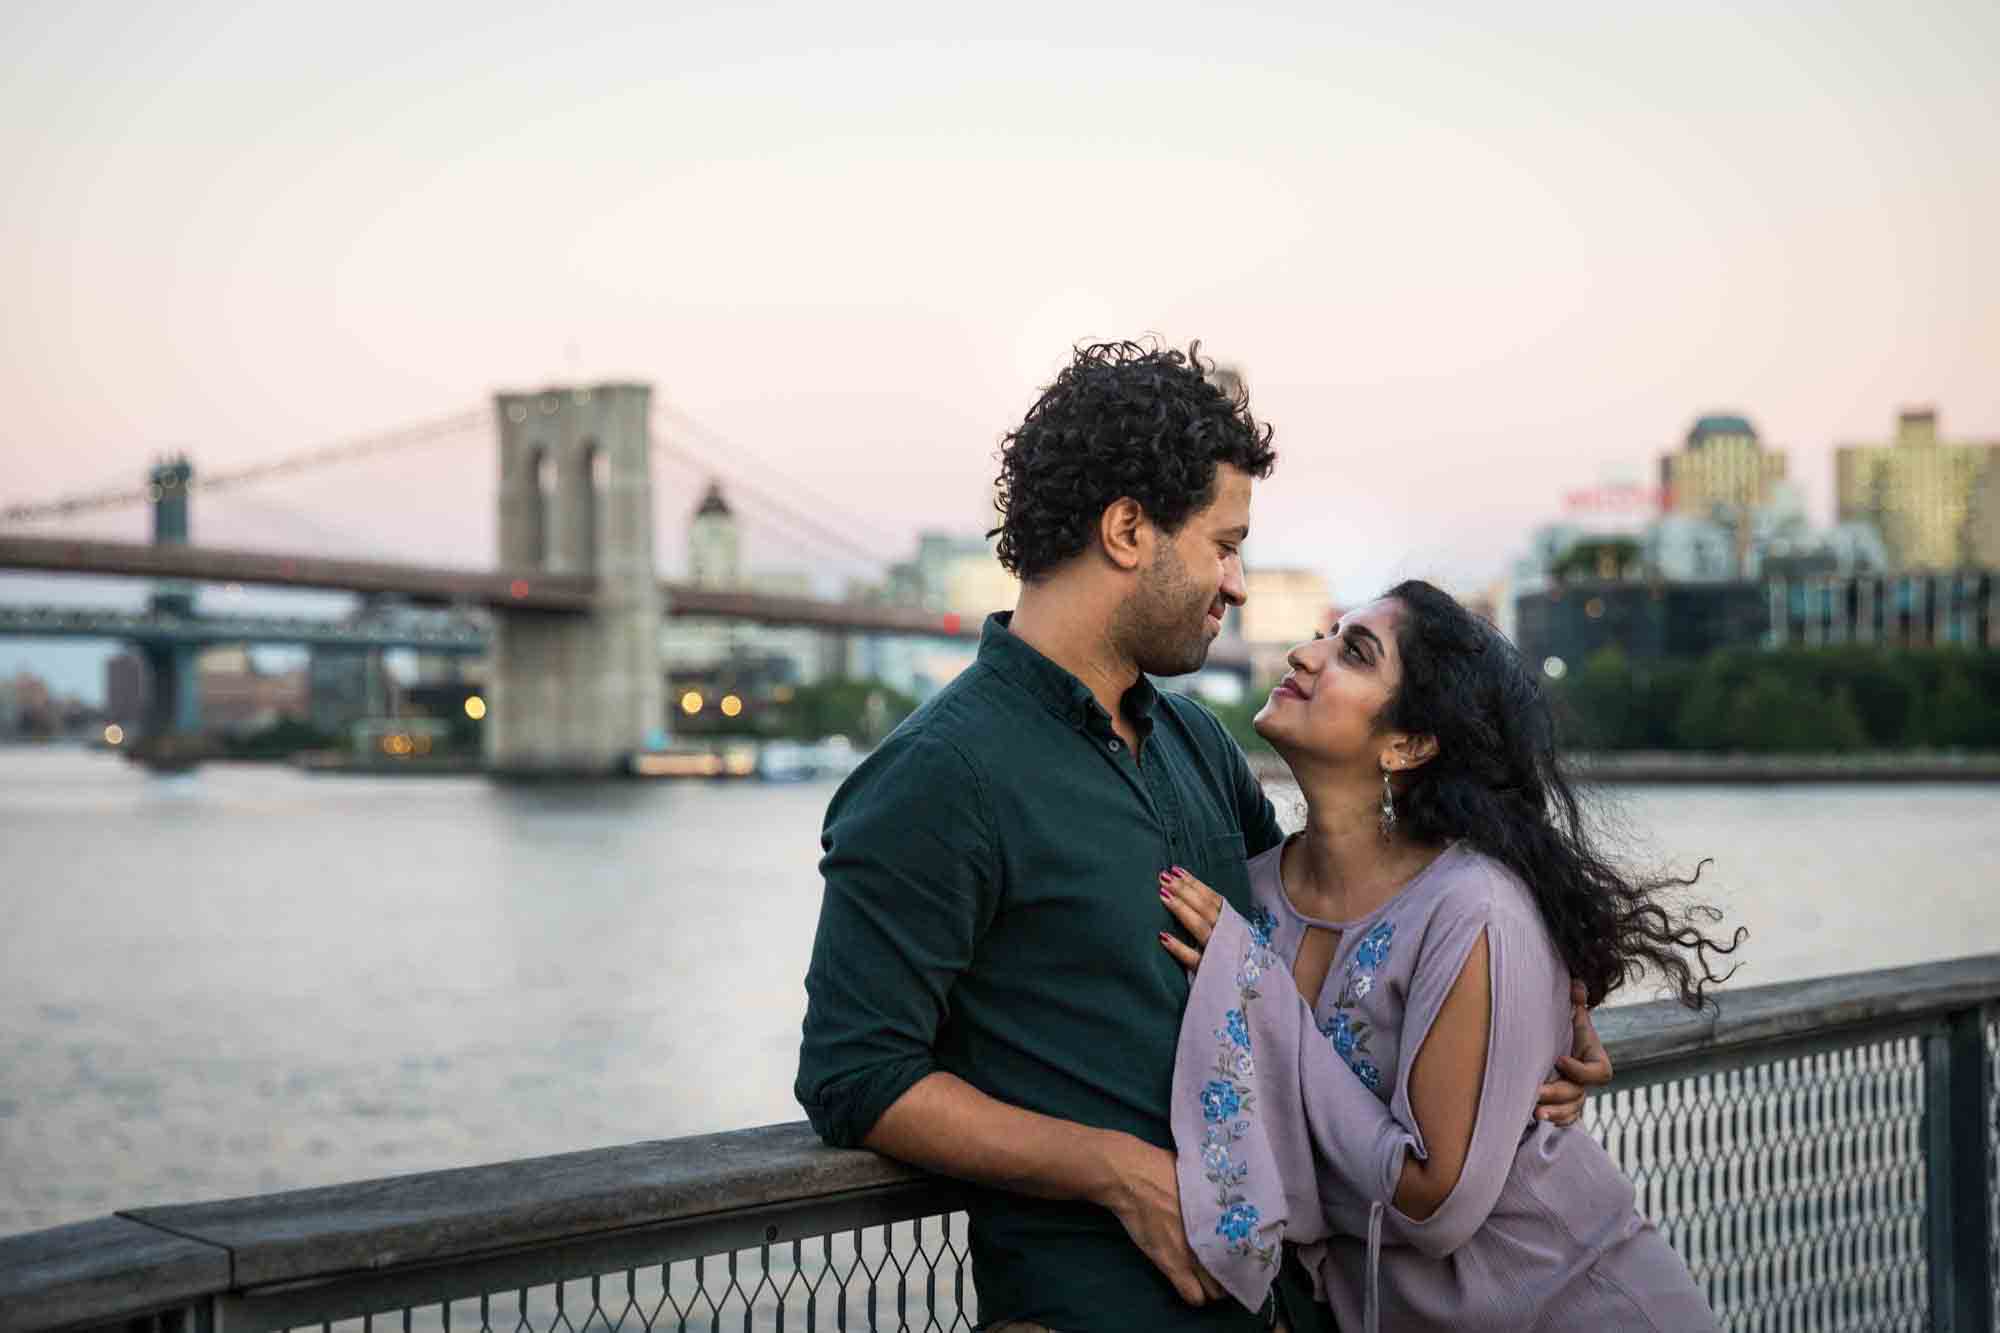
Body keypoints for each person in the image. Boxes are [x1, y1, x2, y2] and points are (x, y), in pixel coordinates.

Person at [795, 343, 1610, 1333]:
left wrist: (1535, 1019)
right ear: (1128, 529)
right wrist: (1113, 1173)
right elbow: (856, 1075)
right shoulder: (939, 774)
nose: (1233, 583)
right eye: (1223, 545)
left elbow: (1332, 936)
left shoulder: (1195, 744)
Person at [1156, 580, 1744, 1333]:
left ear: (1408, 743)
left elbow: (1433, 1205)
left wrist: (1260, 993)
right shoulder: (1249, 901)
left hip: (1577, 1307)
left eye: (1353, 652)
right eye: (1327, 635)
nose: (1306, 653)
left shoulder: (1474, 908)